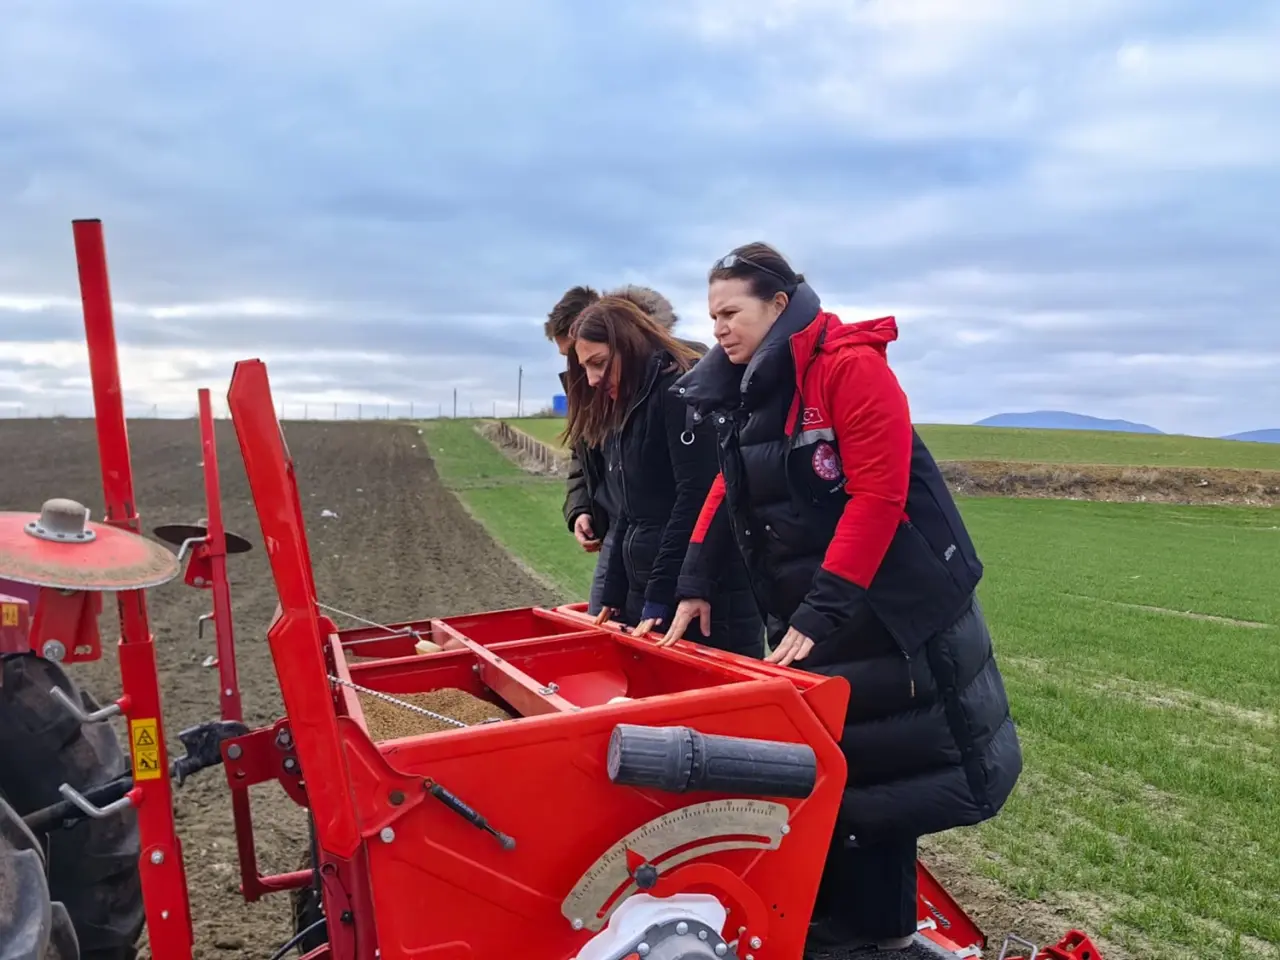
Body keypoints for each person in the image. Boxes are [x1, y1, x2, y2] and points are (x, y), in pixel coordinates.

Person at [659, 242, 1022, 953]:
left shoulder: (849, 369)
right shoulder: (752, 385)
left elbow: (878, 498)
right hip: (829, 613)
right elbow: (733, 484)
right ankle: (843, 924)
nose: (719, 328)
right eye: (713, 314)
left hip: (897, 616)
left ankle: (881, 935)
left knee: (898, 772)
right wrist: (697, 577)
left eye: (731, 312)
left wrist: (823, 608)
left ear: (778, 303)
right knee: (844, 769)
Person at [564, 296, 763, 656]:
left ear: (629, 345)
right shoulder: (628, 403)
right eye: (585, 368)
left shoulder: (679, 392)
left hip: (702, 595)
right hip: (652, 591)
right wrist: (614, 593)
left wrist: (659, 597)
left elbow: (695, 499)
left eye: (599, 363)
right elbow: (630, 507)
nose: (592, 380)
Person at [544, 284, 704, 615]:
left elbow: (695, 489)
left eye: (593, 359)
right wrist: (580, 506)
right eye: (574, 360)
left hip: (667, 537)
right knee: (607, 622)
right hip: (622, 532)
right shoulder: (592, 384)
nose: (585, 375)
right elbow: (583, 455)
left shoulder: (683, 373)